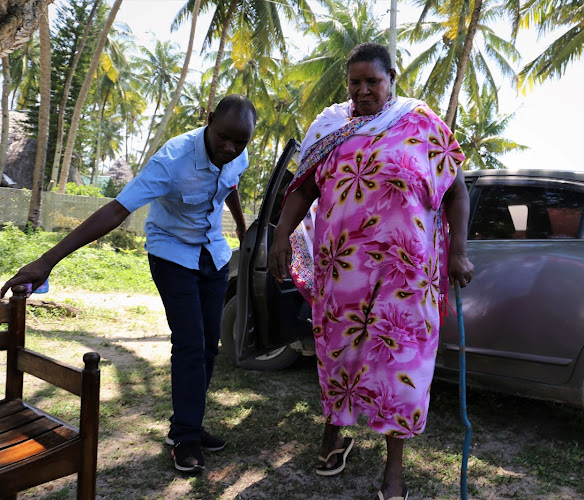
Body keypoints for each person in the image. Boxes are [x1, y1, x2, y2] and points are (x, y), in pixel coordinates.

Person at [0, 94, 257, 473]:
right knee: (189, 344)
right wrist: (46, 261)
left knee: (208, 347)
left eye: (240, 142)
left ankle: (187, 424)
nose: (230, 148)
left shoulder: (237, 154)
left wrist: (239, 224)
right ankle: (185, 438)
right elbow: (117, 210)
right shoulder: (172, 160)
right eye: (223, 138)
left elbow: (231, 184)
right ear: (208, 120)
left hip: (213, 255)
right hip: (172, 255)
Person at [268, 43, 473, 500]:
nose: (363, 91)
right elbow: (302, 190)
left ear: (392, 79)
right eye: (355, 83)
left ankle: (393, 471)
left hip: (406, 277)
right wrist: (281, 234)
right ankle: (334, 437)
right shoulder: (330, 127)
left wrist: (457, 251)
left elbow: (457, 191)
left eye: (372, 82)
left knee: (401, 366)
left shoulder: (421, 123)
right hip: (343, 274)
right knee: (339, 356)